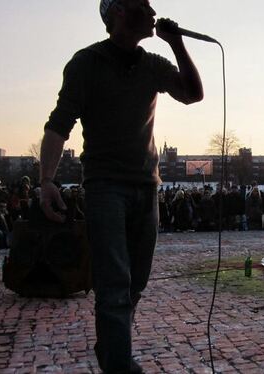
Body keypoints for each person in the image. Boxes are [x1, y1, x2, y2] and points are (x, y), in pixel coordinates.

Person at [38, 0, 204, 372]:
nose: (151, 10)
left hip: (147, 186)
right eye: (141, 5)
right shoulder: (86, 63)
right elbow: (59, 124)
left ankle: (112, 350)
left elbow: (192, 94)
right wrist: (46, 180)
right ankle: (119, 364)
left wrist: (176, 44)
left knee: (135, 283)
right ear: (115, 13)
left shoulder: (151, 64)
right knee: (114, 283)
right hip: (105, 186)